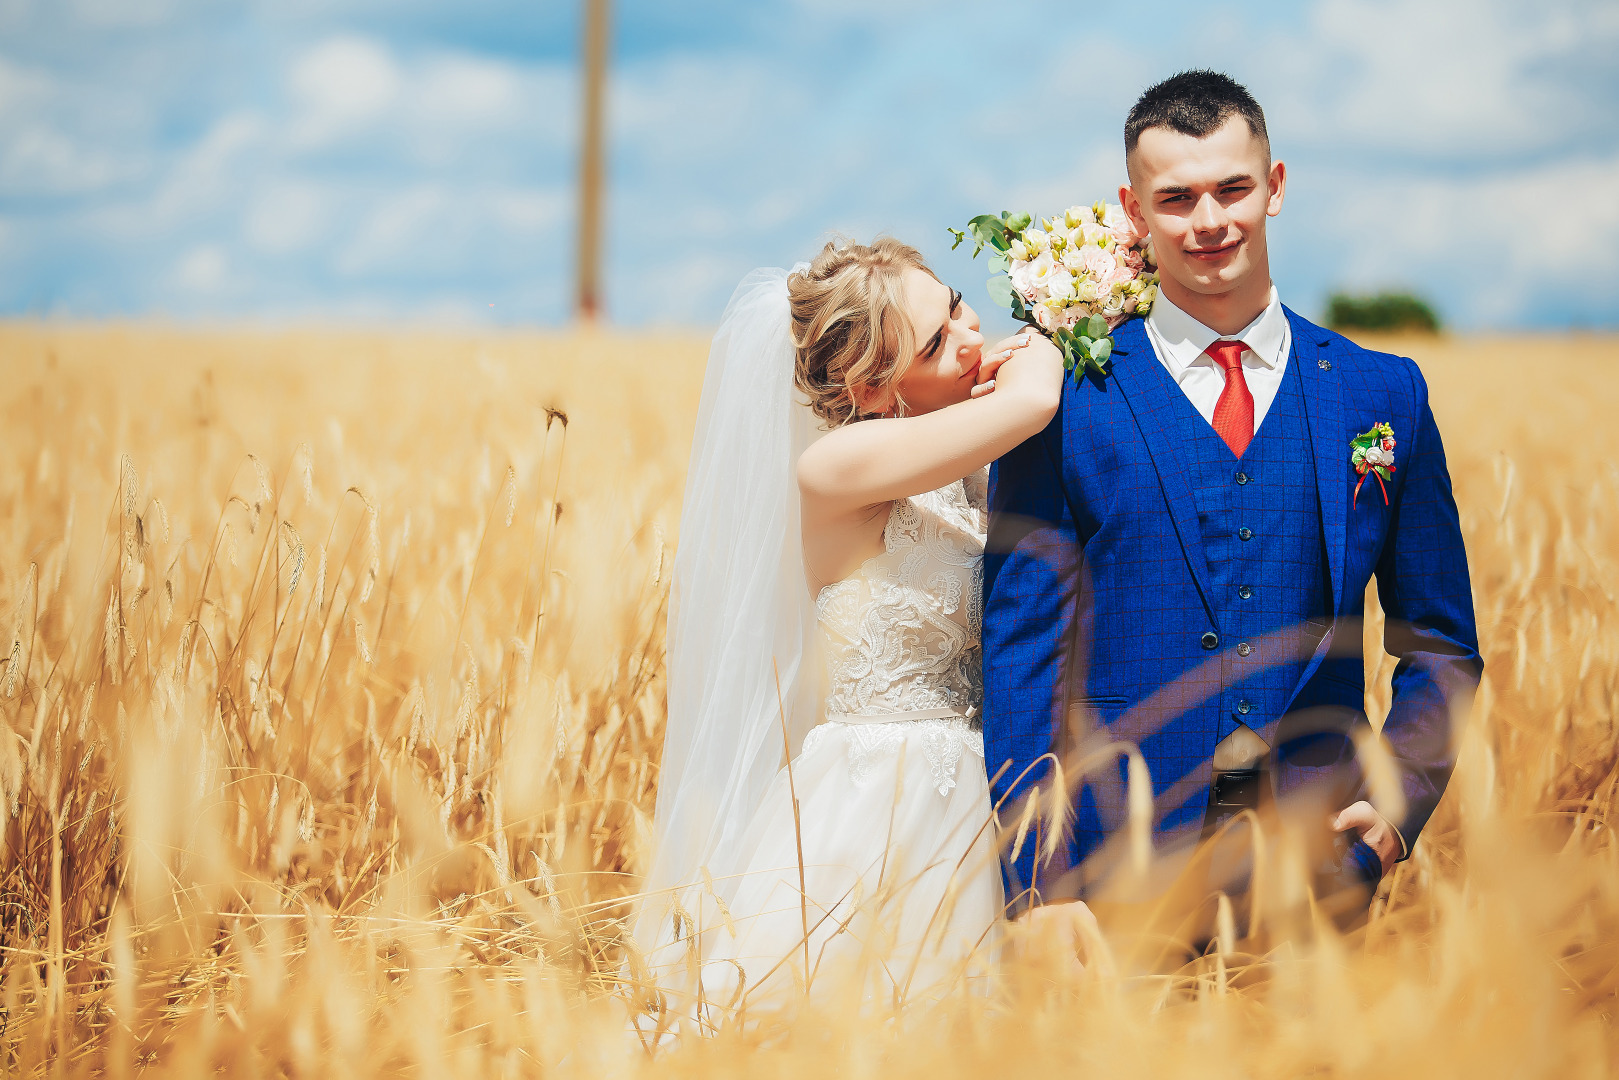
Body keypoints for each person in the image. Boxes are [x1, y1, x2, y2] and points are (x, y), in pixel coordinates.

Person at [982, 70, 1483, 951]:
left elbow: (1437, 643)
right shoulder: (1065, 399)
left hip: (1320, 867)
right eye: (1174, 198)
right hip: (1109, 884)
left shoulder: (1382, 393)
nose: (1207, 221)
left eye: (1231, 189)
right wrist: (1034, 883)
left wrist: (1397, 804)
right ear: (1132, 214)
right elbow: (1023, 649)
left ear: (1275, 187)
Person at [630, 238, 1064, 1035]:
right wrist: (1057, 332)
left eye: (958, 305)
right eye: (935, 343)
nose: (969, 336)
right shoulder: (837, 465)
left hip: (982, 784)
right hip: (879, 799)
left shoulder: (962, 458)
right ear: (869, 387)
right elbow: (1032, 404)